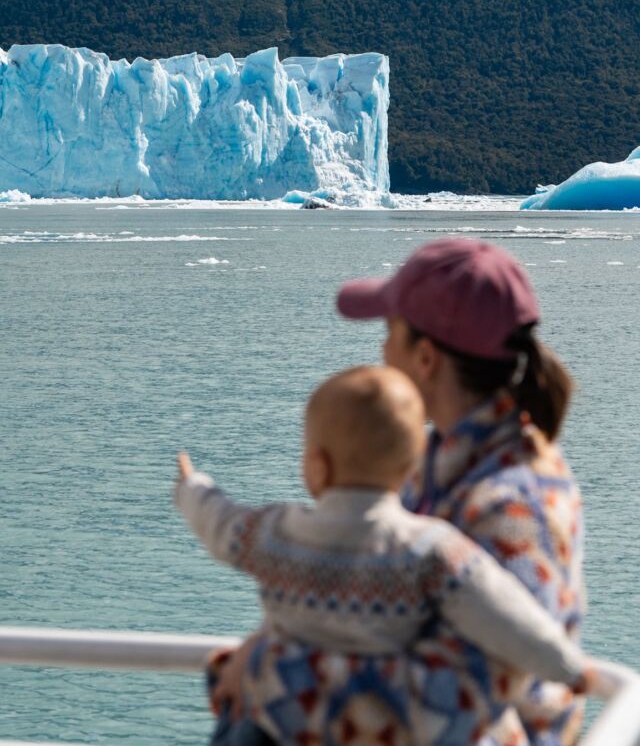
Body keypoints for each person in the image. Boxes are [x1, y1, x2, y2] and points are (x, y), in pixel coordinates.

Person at [209, 238, 585, 746]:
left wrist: (265, 670)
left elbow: (462, 698)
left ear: (425, 357)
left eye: (389, 334)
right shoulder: (435, 465)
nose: (381, 352)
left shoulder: (511, 505)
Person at [176, 363, 591, 746]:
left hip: (283, 720)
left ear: (317, 466)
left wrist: (192, 488)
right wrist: (569, 668)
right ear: (411, 466)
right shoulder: (433, 548)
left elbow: (221, 523)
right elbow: (508, 616)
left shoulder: (276, 533)